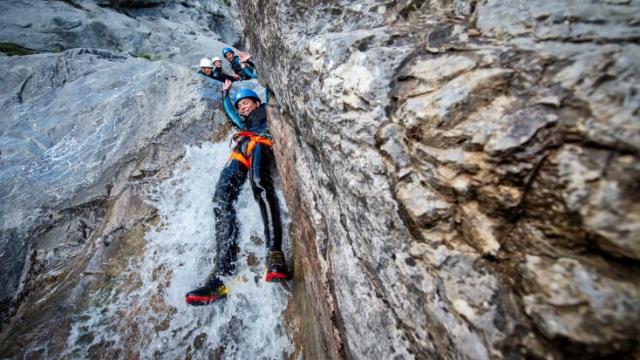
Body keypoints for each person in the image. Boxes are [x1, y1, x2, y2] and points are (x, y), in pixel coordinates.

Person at [185, 79, 288, 306]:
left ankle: (275, 255)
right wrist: (226, 94)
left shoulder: (266, 110)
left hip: (262, 140)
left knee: (260, 184)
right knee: (221, 200)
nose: (242, 107)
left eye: (247, 102)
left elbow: (272, 87)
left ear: (257, 102)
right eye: (240, 104)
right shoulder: (241, 124)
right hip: (241, 148)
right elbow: (230, 110)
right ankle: (221, 277)